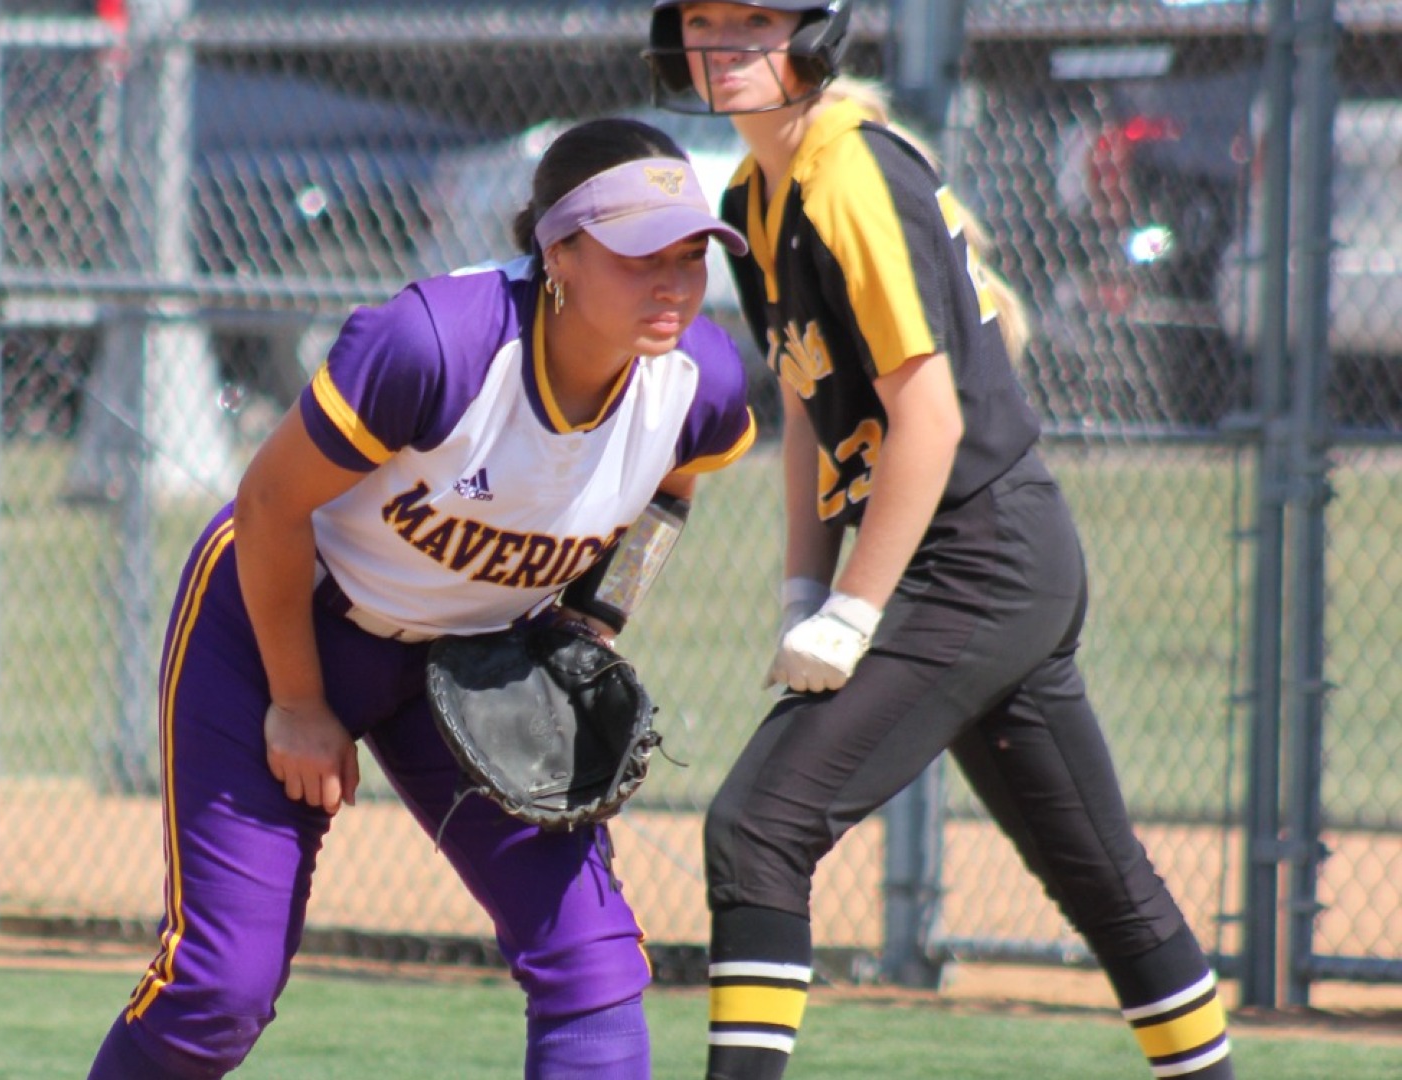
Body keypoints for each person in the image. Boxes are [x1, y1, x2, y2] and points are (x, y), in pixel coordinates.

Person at [85, 116, 759, 1080]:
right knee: (220, 989)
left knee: (592, 967)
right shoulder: (439, 346)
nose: (675, 281)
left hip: (480, 659)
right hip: (282, 622)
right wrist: (298, 701)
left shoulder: (700, 382)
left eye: (693, 253)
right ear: (557, 250)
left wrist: (590, 621)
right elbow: (269, 502)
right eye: (639, 252)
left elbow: (671, 488)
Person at [642, 3, 1239, 1079]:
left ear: (815, 34)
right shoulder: (753, 194)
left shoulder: (849, 172)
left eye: (756, 19)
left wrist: (855, 613)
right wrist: (799, 591)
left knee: (758, 825)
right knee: (1104, 879)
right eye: (703, 20)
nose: (723, 43)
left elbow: (933, 420)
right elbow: (810, 415)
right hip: (987, 552)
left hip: (980, 554)